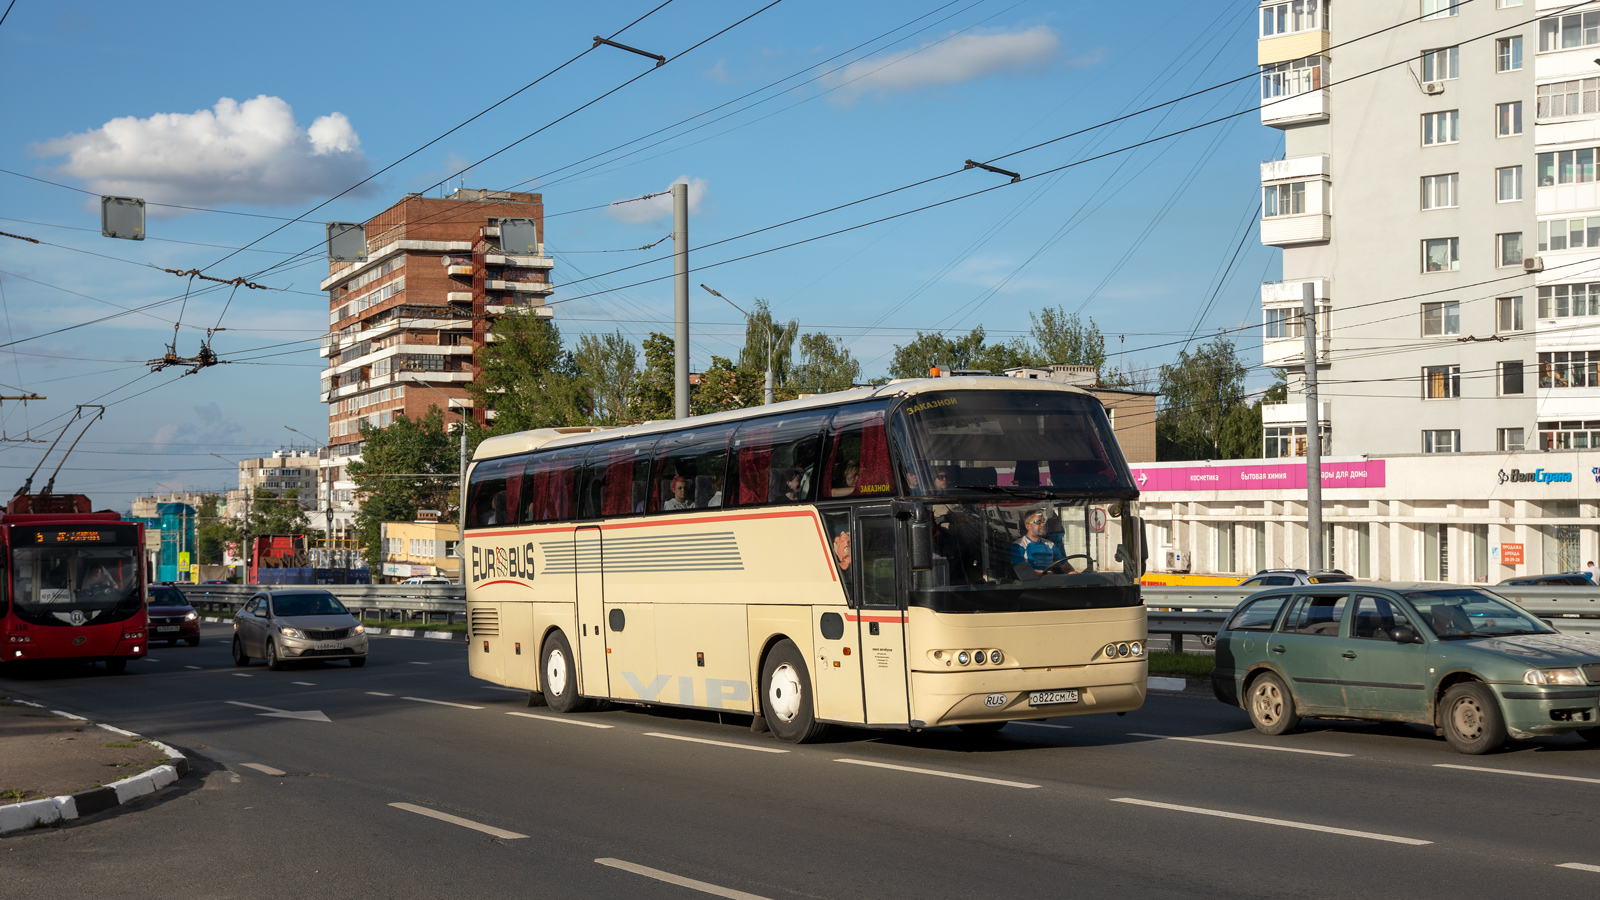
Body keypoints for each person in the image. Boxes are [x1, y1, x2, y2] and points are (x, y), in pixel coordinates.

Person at [1011, 509, 1068, 575]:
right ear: (1028, 526)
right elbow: (1020, 570)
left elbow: (1064, 564)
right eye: (1038, 522)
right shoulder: (1019, 545)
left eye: (1043, 521)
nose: (1042, 524)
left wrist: (1071, 572)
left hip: (1051, 582)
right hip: (1030, 584)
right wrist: (1045, 574)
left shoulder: (1051, 545)